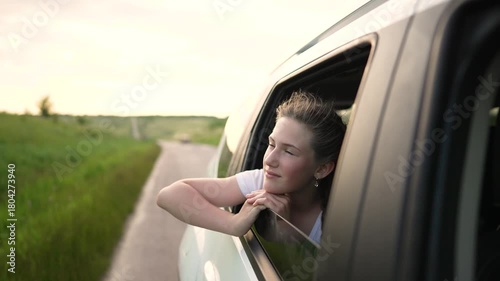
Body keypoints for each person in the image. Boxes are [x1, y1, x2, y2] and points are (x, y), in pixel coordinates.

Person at [156, 91, 346, 243]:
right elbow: (169, 195)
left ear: (322, 169)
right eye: (271, 144)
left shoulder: (341, 218)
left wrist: (285, 227)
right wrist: (233, 223)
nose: (270, 159)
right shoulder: (260, 180)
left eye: (289, 152)